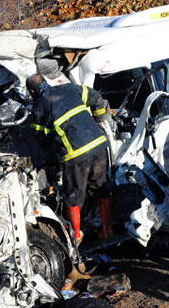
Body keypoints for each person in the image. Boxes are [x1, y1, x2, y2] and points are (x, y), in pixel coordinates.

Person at [27, 74, 112, 242]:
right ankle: (108, 231)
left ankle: (76, 235)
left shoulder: (39, 106)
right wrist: (98, 117)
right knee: (101, 188)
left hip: (75, 155)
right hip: (99, 145)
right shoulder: (68, 87)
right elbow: (96, 97)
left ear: (31, 91)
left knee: (73, 196)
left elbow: (40, 138)